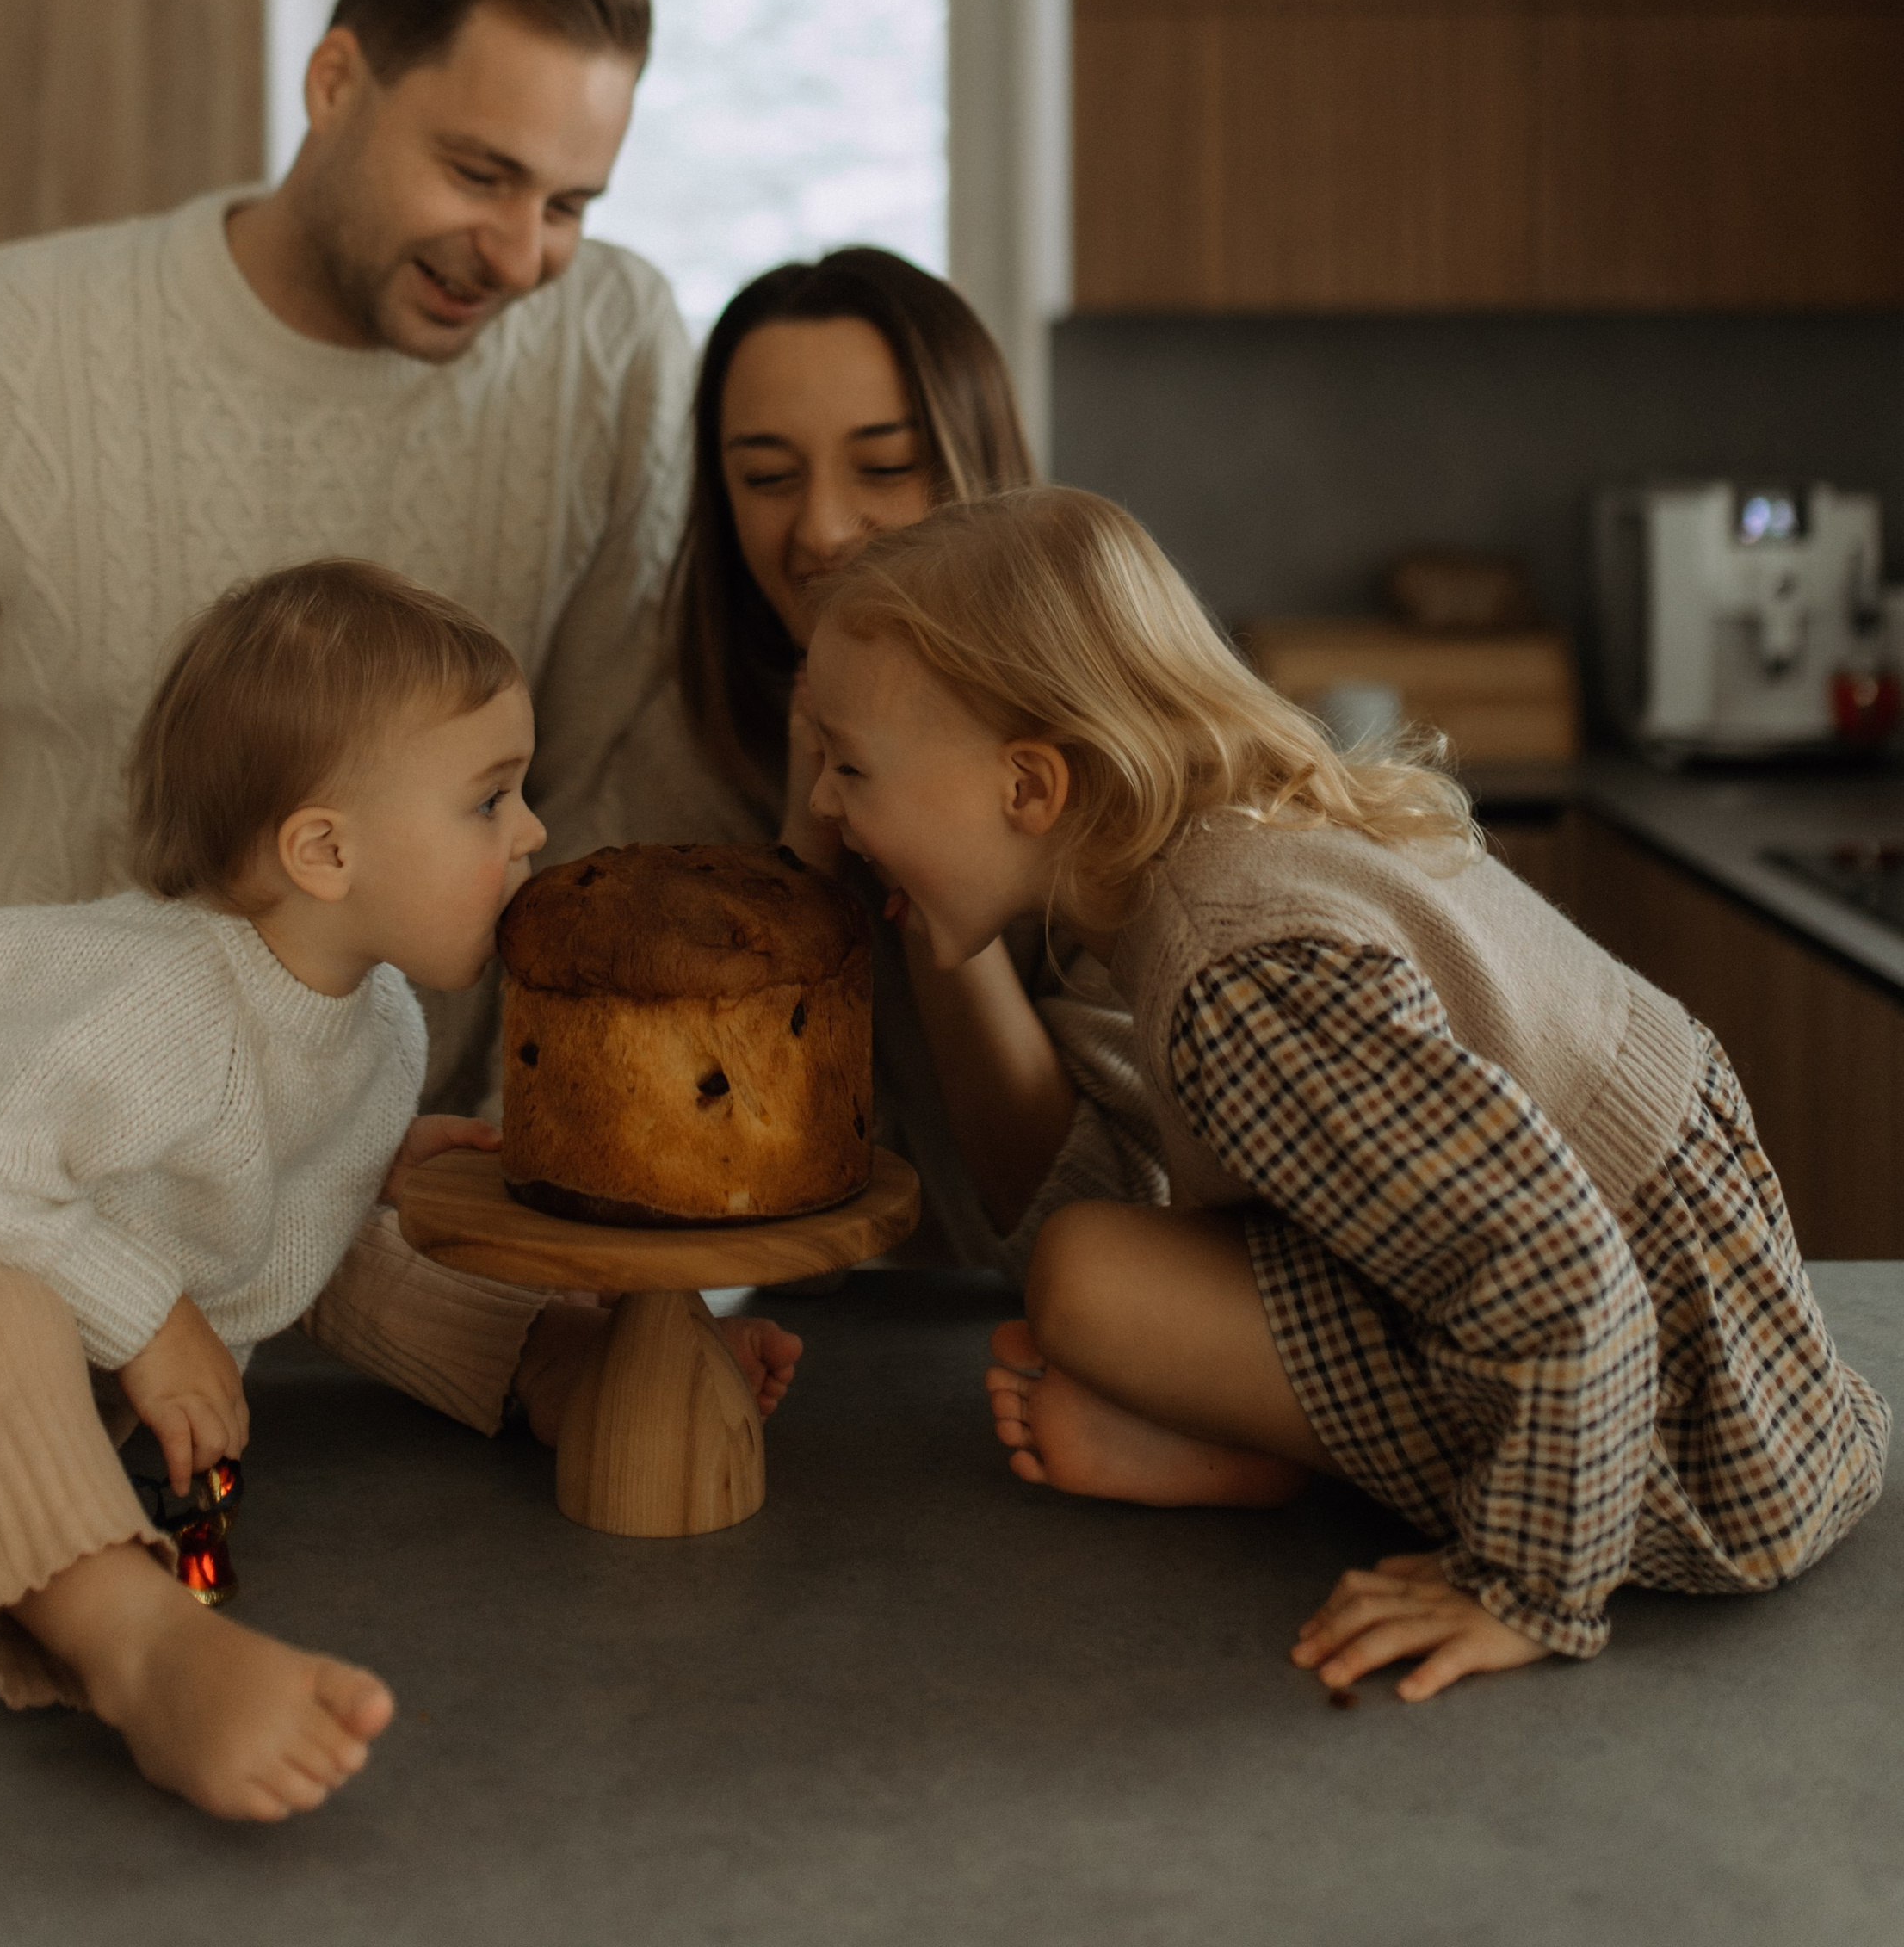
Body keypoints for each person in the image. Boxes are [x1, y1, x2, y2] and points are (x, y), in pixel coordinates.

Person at [0, 0, 695, 1337]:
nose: (525, 254)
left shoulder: (615, 348)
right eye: (480, 174)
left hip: (368, 1213)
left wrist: (532, 1152)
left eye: (571, 204)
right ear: (335, 81)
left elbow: (603, 787)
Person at [0, 560, 801, 1821]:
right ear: (326, 850)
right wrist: (156, 1321)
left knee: (322, 1236)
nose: (533, 832)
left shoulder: (382, 1023)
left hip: (49, 1376)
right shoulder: (154, 1003)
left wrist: (375, 1167)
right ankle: (140, 1651)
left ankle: (544, 1363)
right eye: (489, 799)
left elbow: (260, 1204)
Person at [799, 486, 1888, 1698]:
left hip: (1690, 1432)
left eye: (850, 767)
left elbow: (1560, 1266)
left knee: (1084, 1281)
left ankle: (1384, 1503)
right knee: (1102, 1266)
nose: (823, 809)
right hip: (1665, 1317)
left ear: (1030, 791)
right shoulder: (1215, 860)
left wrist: (1522, 1587)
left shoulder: (1241, 981)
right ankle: (1258, 1464)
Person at [664, 250, 1165, 1270]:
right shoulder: (690, 735)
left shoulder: (1109, 754)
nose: (821, 528)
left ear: (974, 468)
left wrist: (928, 838)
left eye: (884, 467)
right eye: (765, 477)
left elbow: (1101, 1216)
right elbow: (685, 1150)